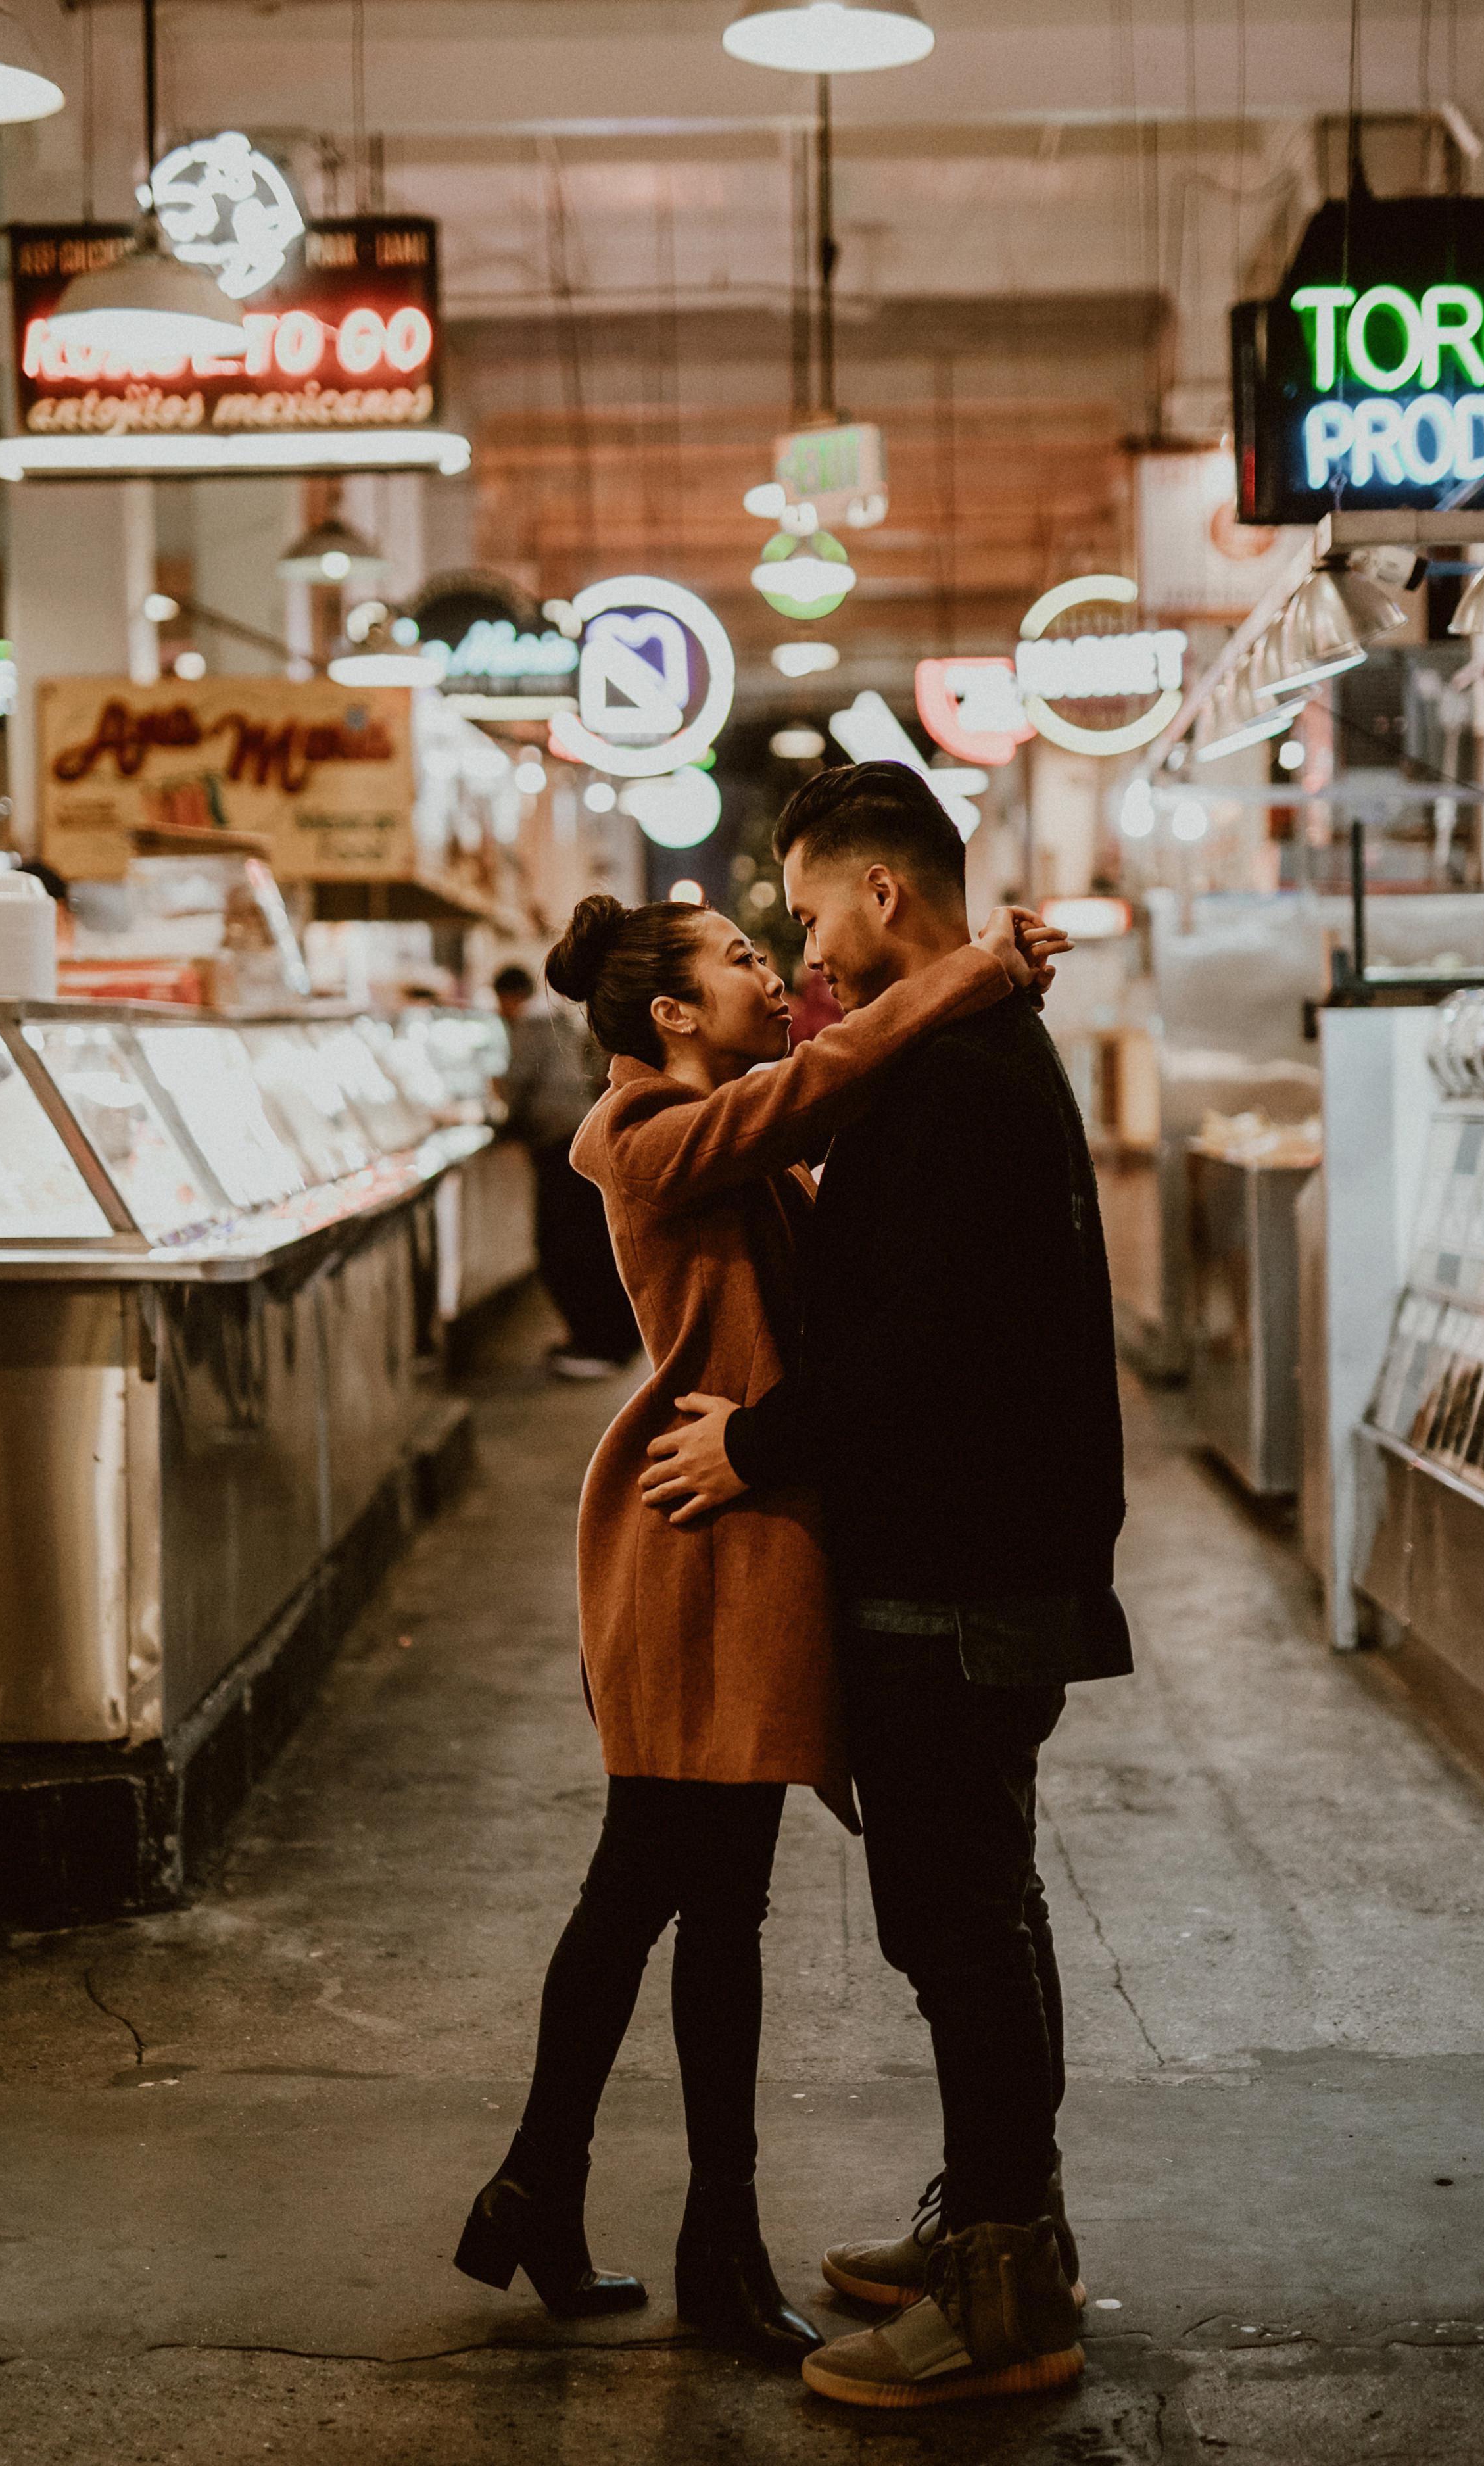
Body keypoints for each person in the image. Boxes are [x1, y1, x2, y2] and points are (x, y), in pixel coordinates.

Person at [455, 889, 1063, 2371]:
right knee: (668, 1887)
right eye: (736, 957)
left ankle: (574, 2196)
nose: (768, 971)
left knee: (693, 1895)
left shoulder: (712, 1120)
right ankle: (661, 2227)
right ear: (667, 1012)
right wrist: (968, 970)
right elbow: (823, 1080)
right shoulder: (645, 1134)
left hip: (735, 1547)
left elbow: (822, 1101)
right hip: (688, 1549)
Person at [637, 760, 1131, 2411]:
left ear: (884, 894)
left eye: (808, 904)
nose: (801, 942)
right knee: (978, 1914)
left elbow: (915, 1341)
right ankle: (1006, 2234)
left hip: (963, 1571)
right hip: (984, 1558)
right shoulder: (965, 1047)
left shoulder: (957, 1074)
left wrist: (752, 1445)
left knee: (960, 1926)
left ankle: (1001, 2301)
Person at [493, 961, 638, 1378]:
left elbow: (518, 1087)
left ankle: (596, 1345)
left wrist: (503, 1124)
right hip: (582, 1137)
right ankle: (610, 1341)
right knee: (591, 1243)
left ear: (509, 996)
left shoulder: (530, 1025)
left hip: (556, 1143)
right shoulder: (562, 1020)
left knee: (561, 1247)